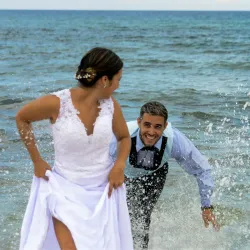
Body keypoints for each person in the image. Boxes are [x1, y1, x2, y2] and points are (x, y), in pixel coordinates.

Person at [16, 47, 133, 250]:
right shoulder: (57, 102)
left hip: (103, 190)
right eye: (118, 79)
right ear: (104, 80)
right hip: (64, 188)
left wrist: (119, 165)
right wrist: (37, 160)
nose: (118, 86)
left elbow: (124, 137)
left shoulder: (112, 106)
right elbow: (22, 118)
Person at [110, 101, 219, 249]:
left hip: (155, 174)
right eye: (147, 125)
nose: (151, 132)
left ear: (165, 126)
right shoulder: (119, 136)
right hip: (122, 173)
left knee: (142, 215)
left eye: (157, 127)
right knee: (114, 213)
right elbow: (96, 165)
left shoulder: (175, 141)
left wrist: (206, 206)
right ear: (139, 122)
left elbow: (202, 170)